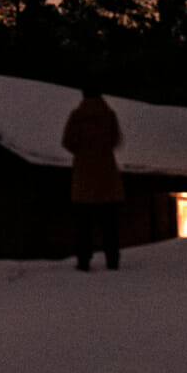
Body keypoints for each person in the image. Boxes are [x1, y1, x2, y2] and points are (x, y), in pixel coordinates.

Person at [61, 85, 124, 271]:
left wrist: (82, 153)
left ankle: (84, 261)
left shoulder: (77, 116)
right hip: (107, 179)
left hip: (83, 180)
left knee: (83, 226)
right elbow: (116, 140)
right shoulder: (109, 115)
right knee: (109, 226)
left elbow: (67, 141)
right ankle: (112, 260)